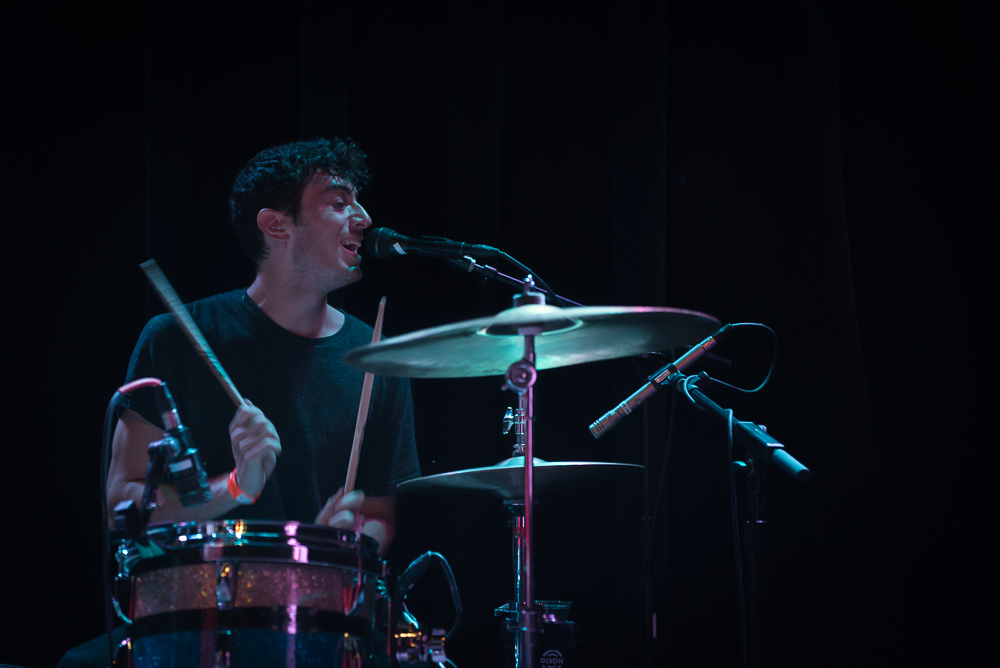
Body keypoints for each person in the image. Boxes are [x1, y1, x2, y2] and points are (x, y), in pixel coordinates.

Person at [59, 137, 419, 667]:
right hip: (193, 613)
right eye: (339, 202)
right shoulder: (175, 339)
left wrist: (354, 537)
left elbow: (380, 515)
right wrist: (232, 487)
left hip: (321, 619)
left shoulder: (376, 357)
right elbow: (124, 508)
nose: (364, 219)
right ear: (276, 225)